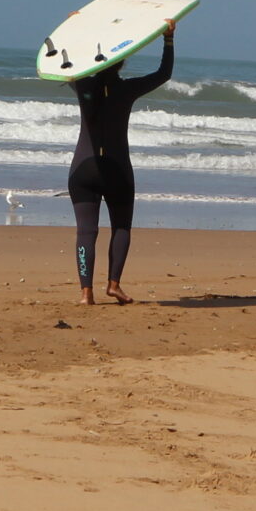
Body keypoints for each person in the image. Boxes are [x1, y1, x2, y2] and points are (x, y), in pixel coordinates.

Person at [68, 19, 174, 306]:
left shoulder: (82, 86)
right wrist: (168, 38)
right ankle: (113, 285)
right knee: (121, 228)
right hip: (116, 170)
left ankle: (85, 293)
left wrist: (74, 28)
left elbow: (65, 66)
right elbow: (164, 73)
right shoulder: (126, 90)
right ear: (121, 64)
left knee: (85, 232)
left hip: (83, 170)